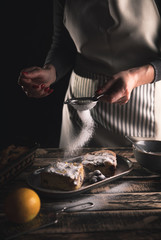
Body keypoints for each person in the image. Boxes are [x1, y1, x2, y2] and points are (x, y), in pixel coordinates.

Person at [18, 0, 161, 148]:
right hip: (81, 107)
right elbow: (64, 44)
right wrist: (51, 71)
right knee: (73, 169)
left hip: (140, 107)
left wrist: (135, 77)